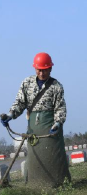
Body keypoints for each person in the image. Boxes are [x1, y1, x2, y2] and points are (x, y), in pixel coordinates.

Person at [1, 52, 71, 188]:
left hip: (51, 129)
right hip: (33, 128)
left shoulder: (56, 86)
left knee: (53, 157)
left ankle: (58, 183)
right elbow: (20, 103)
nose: (42, 73)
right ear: (35, 68)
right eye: (39, 70)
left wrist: (57, 123)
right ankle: (34, 183)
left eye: (45, 70)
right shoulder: (26, 83)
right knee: (34, 158)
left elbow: (60, 108)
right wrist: (10, 115)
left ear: (50, 69)